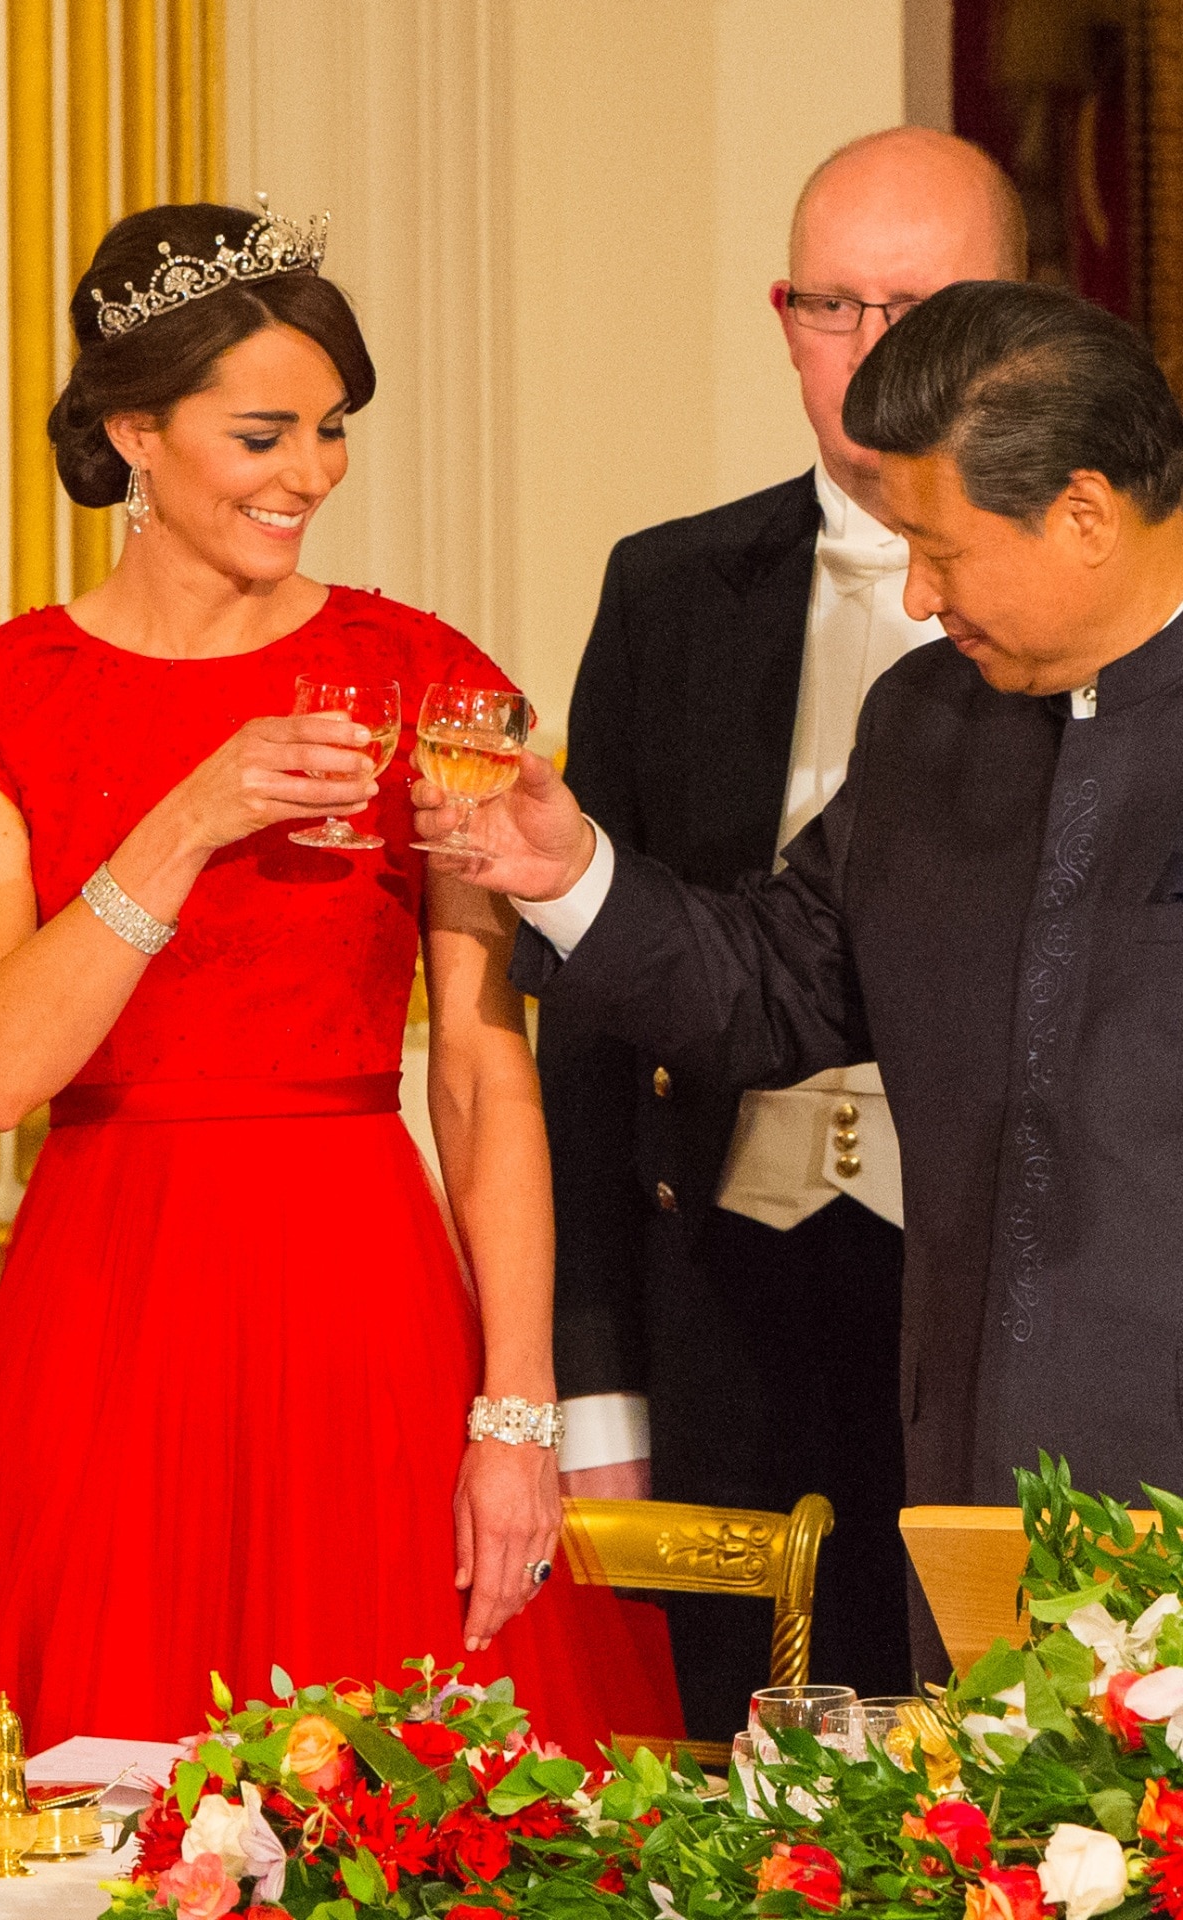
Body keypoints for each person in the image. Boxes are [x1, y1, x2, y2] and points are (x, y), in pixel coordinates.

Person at [0, 200, 681, 1756]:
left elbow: (478, 1064)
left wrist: (515, 1412)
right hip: (106, 1308)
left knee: (411, 1789)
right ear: (134, 429)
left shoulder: (422, 678)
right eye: (263, 434)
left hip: (362, 1302)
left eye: (330, 431)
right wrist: (190, 817)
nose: (310, 475)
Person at [411, 278, 1183, 1586]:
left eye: (940, 550)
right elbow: (777, 982)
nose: (922, 598)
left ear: (1085, 513)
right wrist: (568, 870)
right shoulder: (924, 723)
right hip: (977, 1485)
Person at [544, 128, 1027, 1730]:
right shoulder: (669, 588)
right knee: (729, 1781)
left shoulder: (1091, 622)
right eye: (837, 306)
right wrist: (590, 1367)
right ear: (782, 316)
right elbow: (600, 1015)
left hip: (993, 1304)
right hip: (726, 1292)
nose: (876, 350)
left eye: (924, 302)